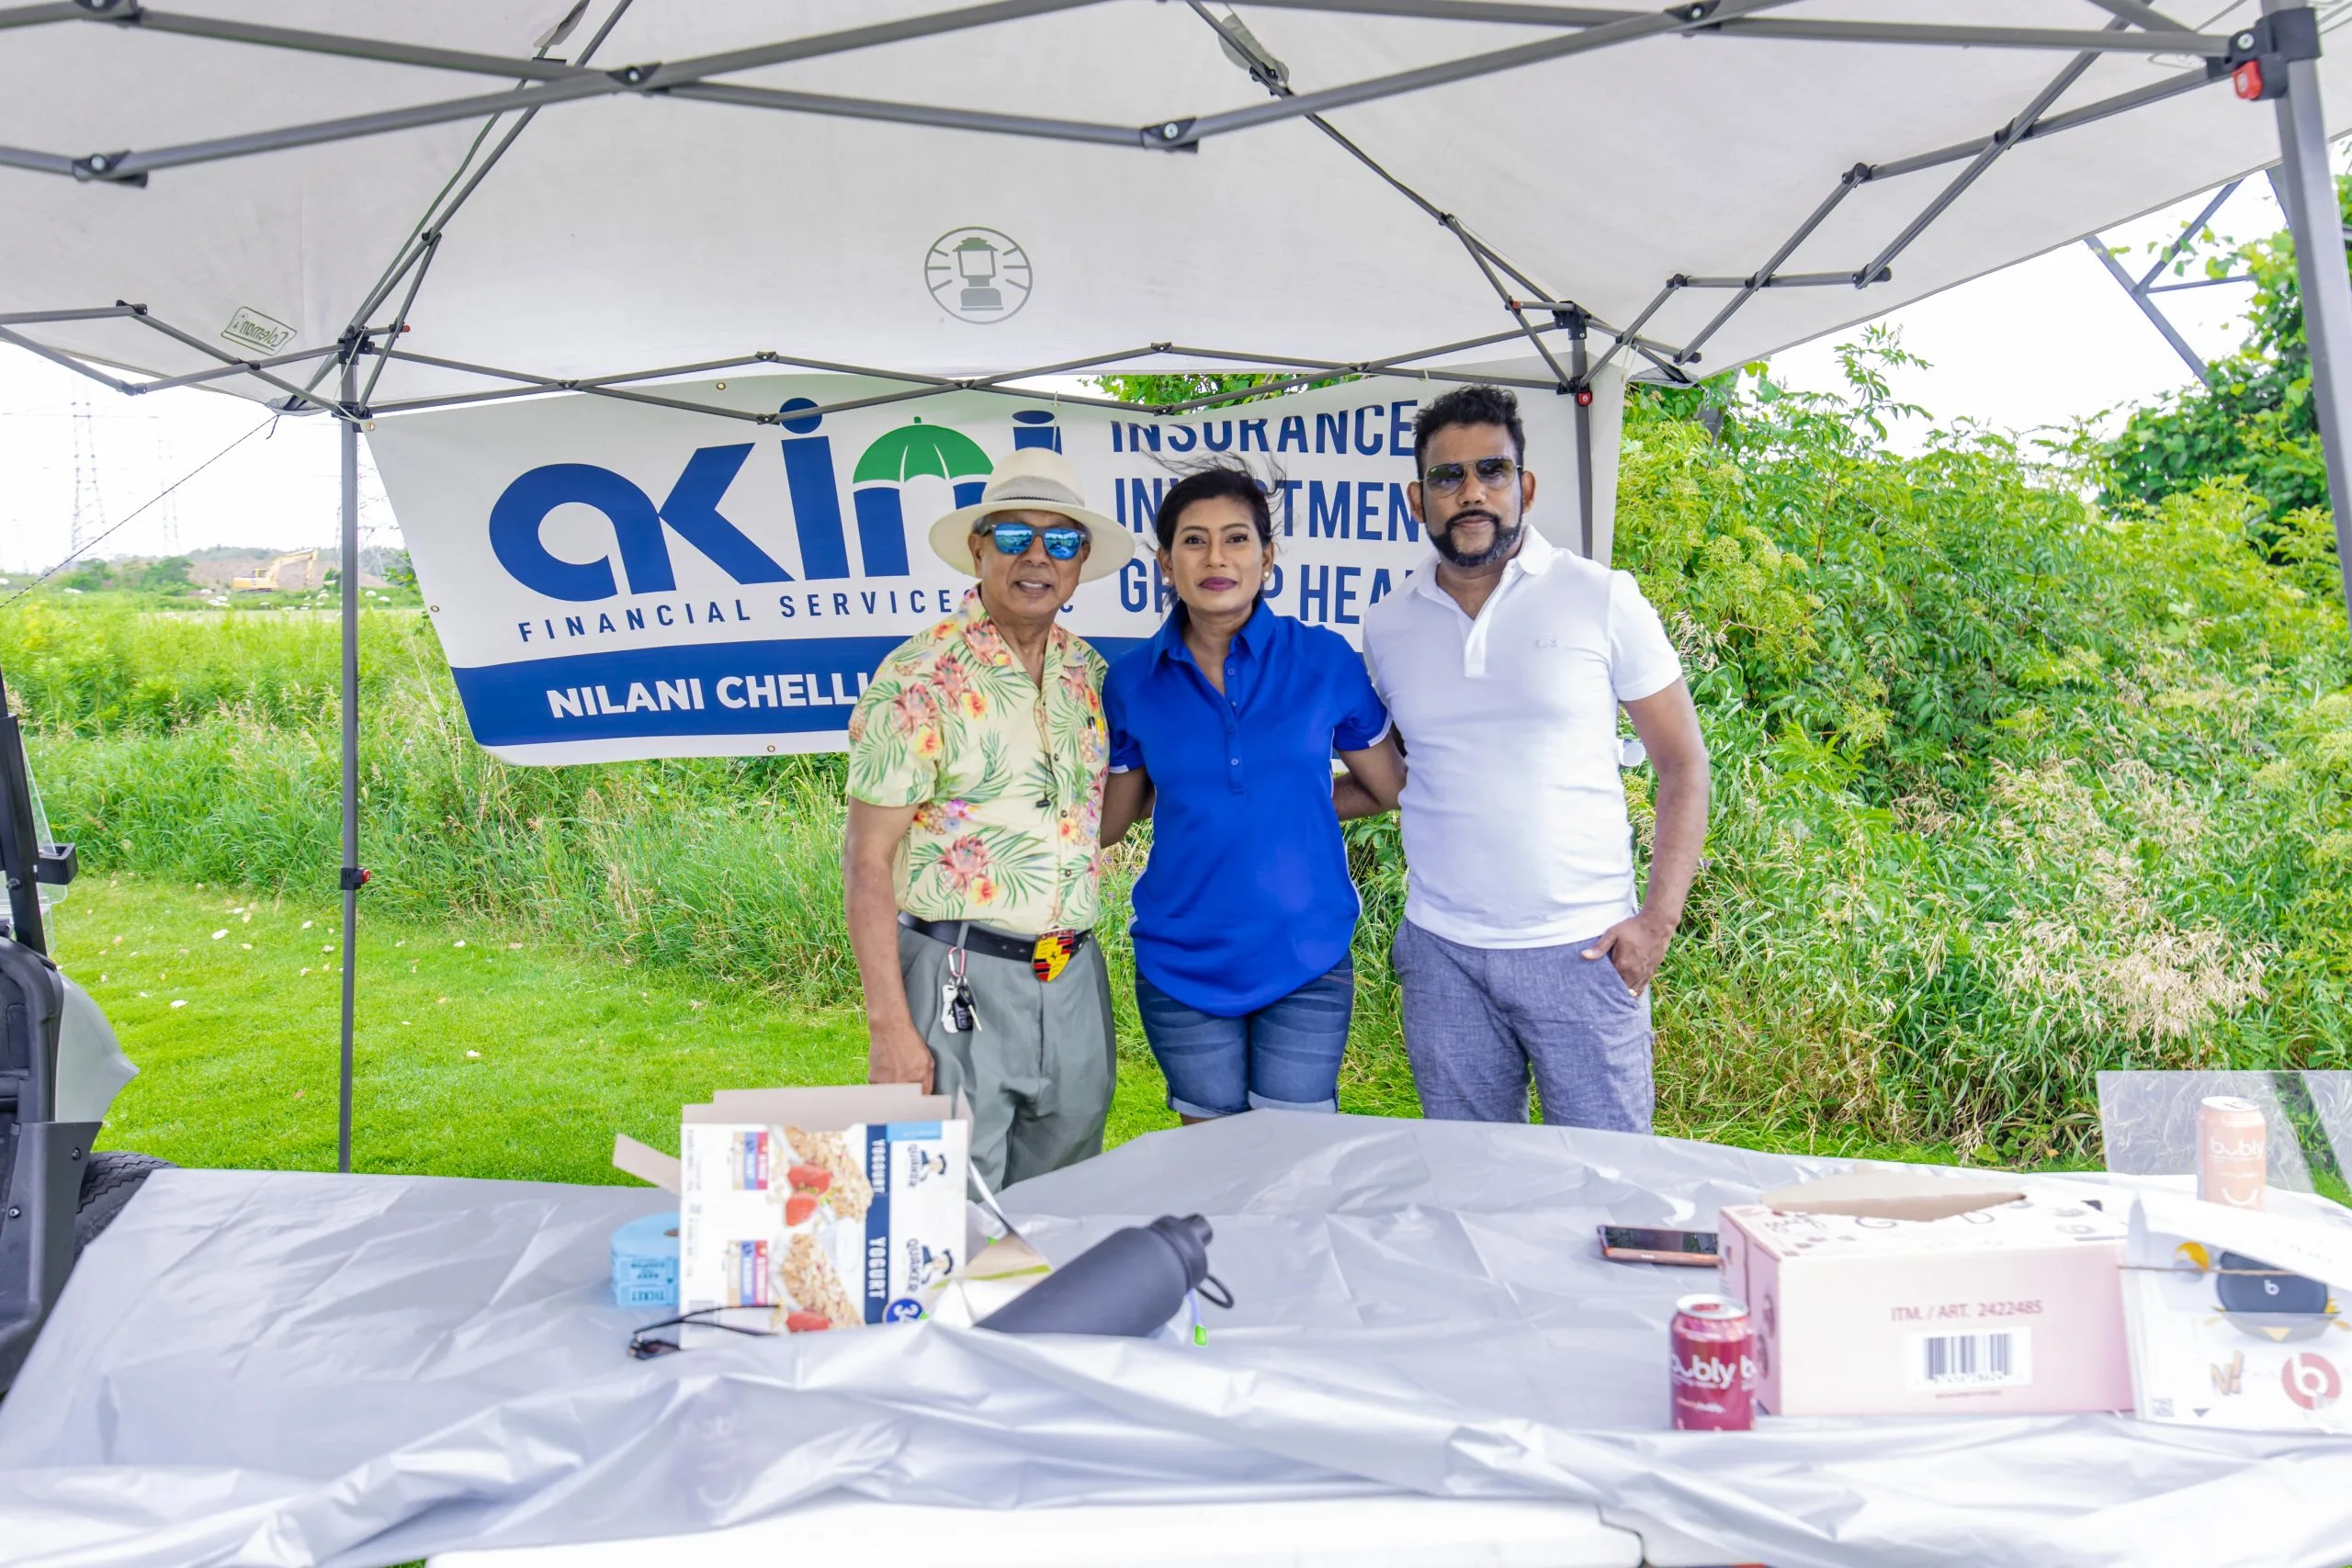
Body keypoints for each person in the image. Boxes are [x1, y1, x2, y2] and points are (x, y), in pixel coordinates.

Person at [1347, 385, 1711, 1133]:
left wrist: (1656, 923)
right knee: (1472, 1182)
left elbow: (1683, 763)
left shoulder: (1600, 597)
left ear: (1527, 487)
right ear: (1417, 499)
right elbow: (1407, 768)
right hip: (1443, 956)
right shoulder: (1387, 625)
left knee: (1609, 1181)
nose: (1471, 492)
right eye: (1448, 476)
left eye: (1493, 470)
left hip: (1585, 950)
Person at [841, 447, 1134, 1188]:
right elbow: (867, 857)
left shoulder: (1090, 674)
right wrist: (888, 1026)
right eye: (1013, 536)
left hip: (1072, 976)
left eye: (1059, 540)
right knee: (944, 1210)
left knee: (1062, 1207)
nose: (1037, 556)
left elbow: (1088, 824)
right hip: (956, 978)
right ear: (978, 549)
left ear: (1080, 561)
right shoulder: (918, 676)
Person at [1101, 464, 1405, 1123]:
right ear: (1165, 562)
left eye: (1237, 538)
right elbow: (1111, 822)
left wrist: (1289, 802)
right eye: (1194, 540)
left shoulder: (1323, 660)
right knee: (1211, 1160)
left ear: (1267, 558)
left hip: (1306, 956)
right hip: (1181, 963)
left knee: (1295, 1159)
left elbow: (1388, 787)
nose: (1216, 557)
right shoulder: (1130, 682)